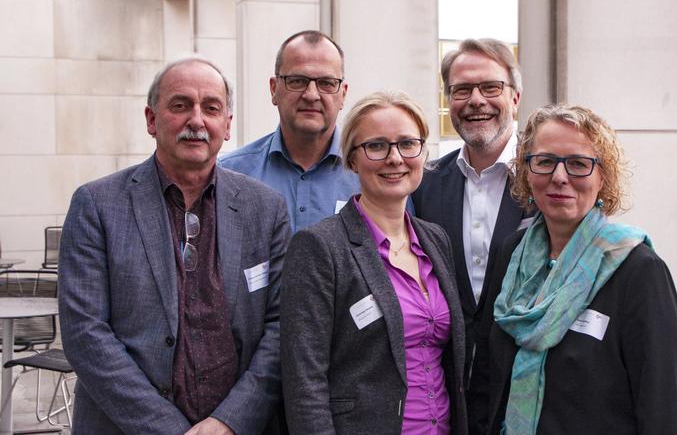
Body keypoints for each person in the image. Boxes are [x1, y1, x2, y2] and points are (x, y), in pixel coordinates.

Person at [59, 57, 290, 434]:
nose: (196, 120)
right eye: (180, 105)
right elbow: (86, 334)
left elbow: (280, 327)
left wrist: (229, 421)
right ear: (151, 120)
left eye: (211, 108)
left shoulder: (264, 209)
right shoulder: (97, 205)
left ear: (227, 125)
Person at [470, 104, 677, 434]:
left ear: (603, 177)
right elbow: (486, 371)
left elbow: (660, 408)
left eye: (578, 164)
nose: (559, 177)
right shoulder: (511, 253)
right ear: (527, 172)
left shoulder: (639, 271)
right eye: (544, 161)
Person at [281, 91, 468, 434]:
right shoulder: (320, 247)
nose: (395, 158)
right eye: (377, 146)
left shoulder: (435, 240)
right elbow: (304, 382)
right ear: (352, 159)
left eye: (407, 144)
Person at [412, 38, 532, 381]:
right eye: (461, 90)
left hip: (525, 383)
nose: (476, 100)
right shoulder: (425, 183)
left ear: (515, 97)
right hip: (449, 386)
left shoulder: (548, 178)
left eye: (490, 87)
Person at [220, 30, 359, 232]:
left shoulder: (371, 174)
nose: (311, 95)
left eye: (326, 83)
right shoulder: (229, 173)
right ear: (274, 89)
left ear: (343, 94)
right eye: (297, 81)